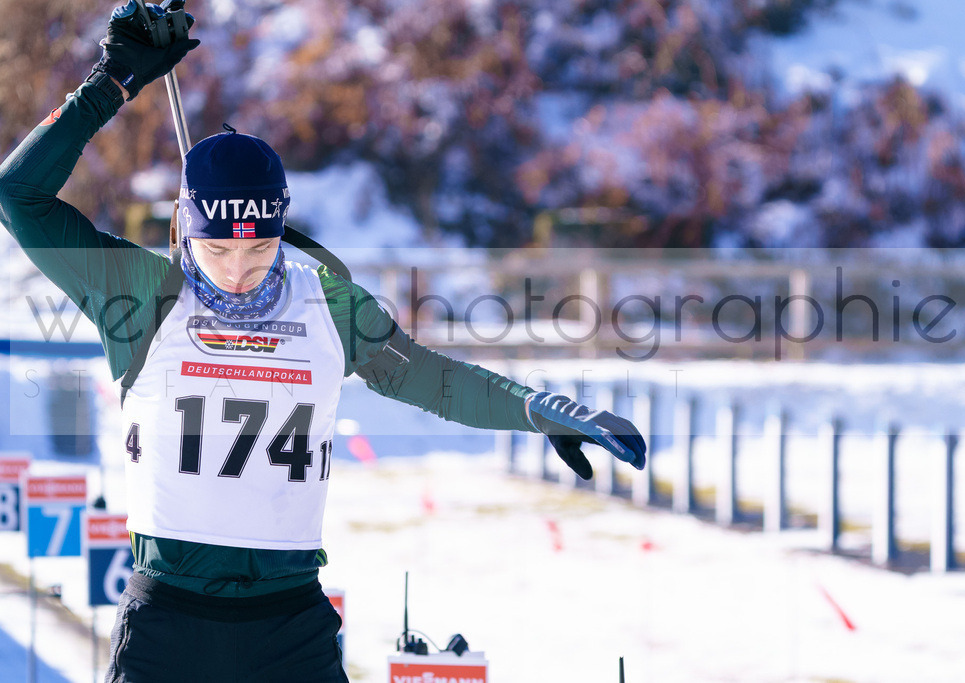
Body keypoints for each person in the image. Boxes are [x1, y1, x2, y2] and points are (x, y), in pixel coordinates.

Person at [0, 3, 646, 682]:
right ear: (181, 233)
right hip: (169, 624)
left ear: (281, 231)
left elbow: (435, 380)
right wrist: (112, 83)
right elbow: (19, 194)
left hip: (289, 626)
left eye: (259, 251)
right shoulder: (137, 294)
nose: (238, 272)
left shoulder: (327, 304)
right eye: (216, 249)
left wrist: (540, 408)